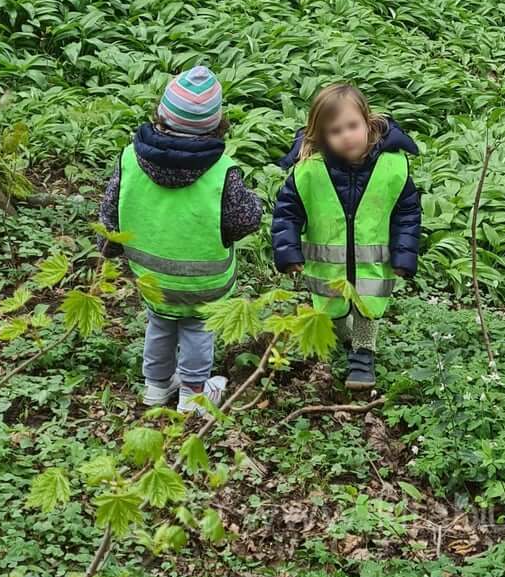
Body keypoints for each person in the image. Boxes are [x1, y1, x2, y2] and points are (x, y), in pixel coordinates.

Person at [98, 66, 263, 412]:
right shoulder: (222, 171)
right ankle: (193, 393)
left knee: (159, 325)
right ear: (216, 125)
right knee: (199, 330)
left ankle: (156, 387)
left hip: (152, 279)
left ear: (160, 114)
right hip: (205, 281)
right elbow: (244, 220)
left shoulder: (130, 159)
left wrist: (109, 248)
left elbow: (112, 210)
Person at [271, 84, 421, 392]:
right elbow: (287, 213)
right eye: (335, 131)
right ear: (321, 136)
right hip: (328, 266)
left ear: (368, 122)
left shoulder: (392, 167)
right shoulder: (309, 172)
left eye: (352, 126)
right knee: (332, 307)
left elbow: (407, 213)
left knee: (368, 305)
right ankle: (345, 336)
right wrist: (288, 253)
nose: (346, 135)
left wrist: (405, 254)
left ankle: (363, 353)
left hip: (373, 263)